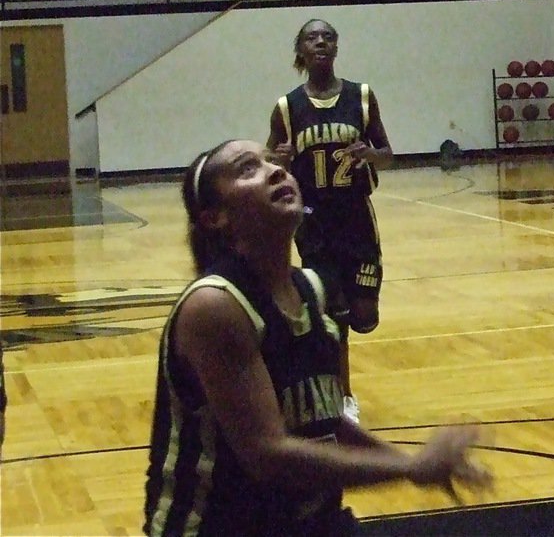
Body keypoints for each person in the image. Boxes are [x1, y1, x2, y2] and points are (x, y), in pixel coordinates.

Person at [143, 140, 491, 537]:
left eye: (274, 162)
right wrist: (409, 468)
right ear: (214, 217)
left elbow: (326, 421)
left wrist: (416, 465)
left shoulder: (311, 288)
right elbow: (267, 454)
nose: (276, 171)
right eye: (247, 169)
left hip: (311, 523)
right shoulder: (216, 306)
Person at [267, 19, 394, 425]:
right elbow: (270, 163)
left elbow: (388, 152)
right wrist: (279, 160)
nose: (321, 42)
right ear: (300, 50)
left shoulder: (362, 96)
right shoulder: (287, 108)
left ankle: (339, 389)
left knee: (364, 318)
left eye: (328, 37)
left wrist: (370, 155)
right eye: (311, 37)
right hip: (314, 223)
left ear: (336, 48)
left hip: (357, 219)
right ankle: (343, 397)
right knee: (334, 315)